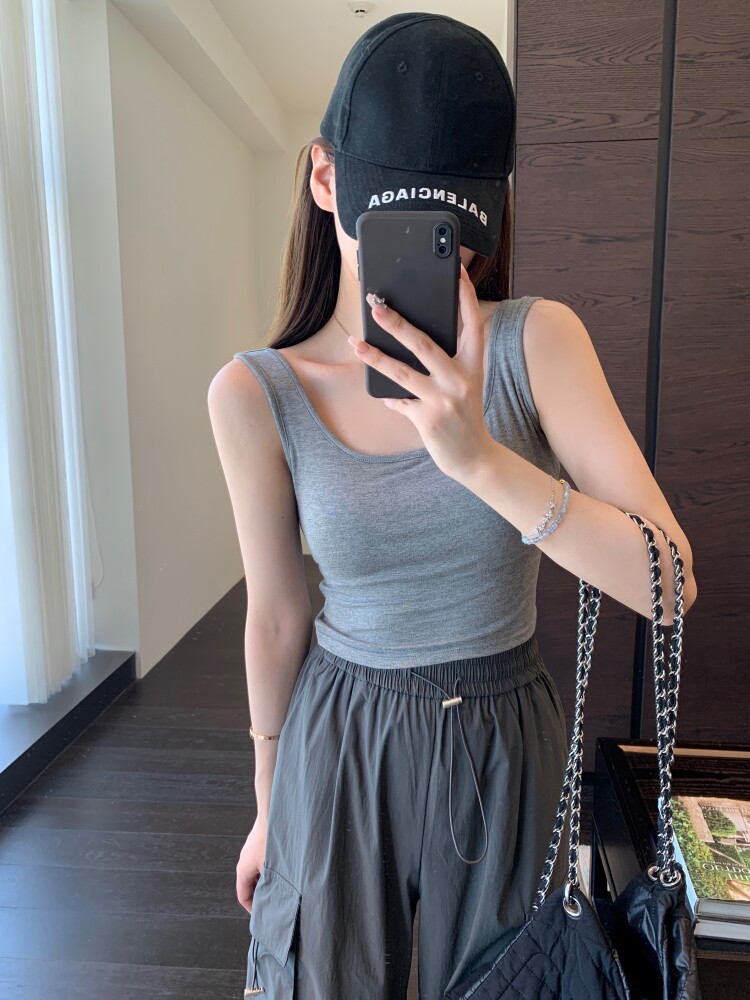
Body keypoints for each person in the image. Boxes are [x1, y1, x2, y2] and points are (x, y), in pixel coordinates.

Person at [207, 12, 697, 1000]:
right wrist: (267, 807)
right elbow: (277, 616)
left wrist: (481, 461)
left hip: (506, 738)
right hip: (340, 736)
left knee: (511, 983)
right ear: (324, 179)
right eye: (400, 225)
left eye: (457, 235)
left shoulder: (537, 344)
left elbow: (669, 583)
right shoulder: (257, 393)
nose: (440, 262)